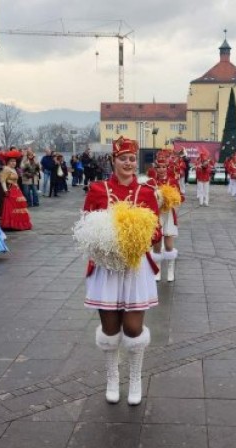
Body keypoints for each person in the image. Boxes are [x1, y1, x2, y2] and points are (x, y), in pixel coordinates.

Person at [82, 136, 160, 406]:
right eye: (123, 158)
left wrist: (138, 239)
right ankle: (112, 377)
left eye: (132, 159)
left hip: (136, 268)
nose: (128, 163)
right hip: (107, 269)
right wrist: (106, 244)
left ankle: (135, 377)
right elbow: (87, 227)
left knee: (133, 328)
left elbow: (156, 231)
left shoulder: (147, 192)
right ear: (113, 160)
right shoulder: (97, 189)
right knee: (110, 328)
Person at [147, 159, 183, 282]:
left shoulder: (172, 181)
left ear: (167, 167)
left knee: (168, 245)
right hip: (155, 215)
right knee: (156, 246)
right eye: (159, 167)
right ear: (155, 168)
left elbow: (180, 198)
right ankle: (157, 271)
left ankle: (170, 270)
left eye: (164, 167)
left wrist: (173, 205)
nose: (161, 169)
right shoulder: (152, 182)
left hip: (168, 215)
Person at [0, 150, 32, 231]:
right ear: (8, 162)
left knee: (19, 206)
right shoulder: (6, 169)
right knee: (11, 207)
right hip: (10, 190)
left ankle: (19, 223)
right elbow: (2, 180)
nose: (14, 163)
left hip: (16, 189)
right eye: (12, 161)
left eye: (15, 161)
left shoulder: (14, 169)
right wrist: (5, 191)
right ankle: (11, 224)